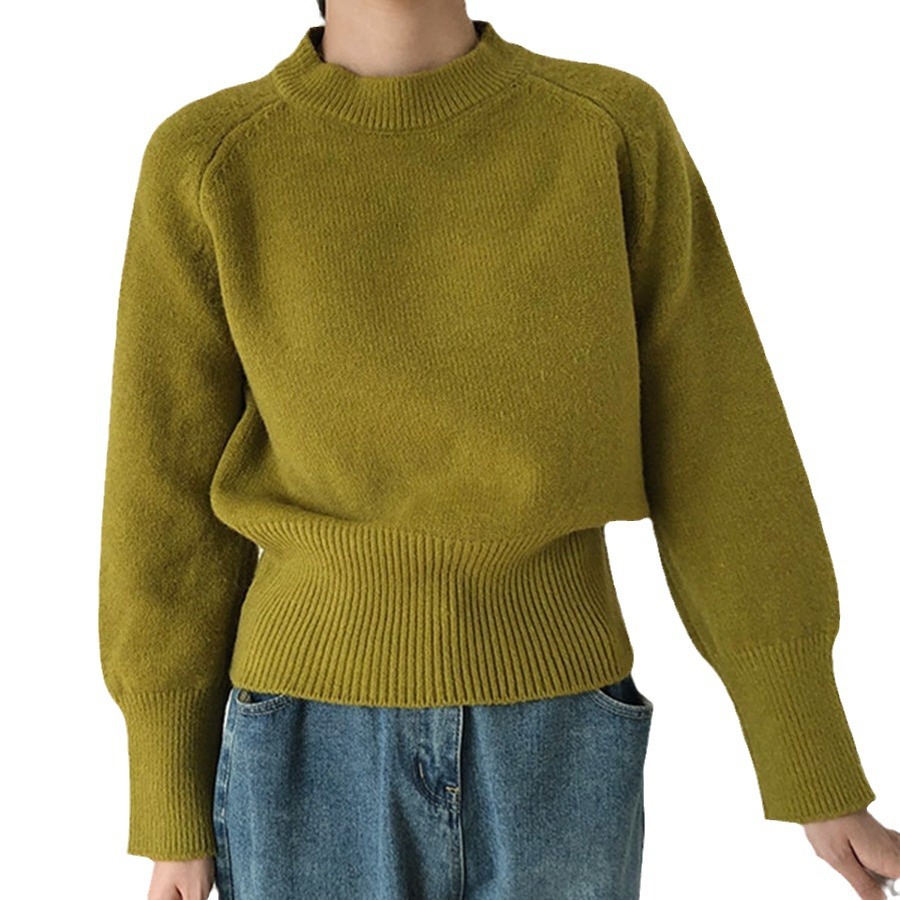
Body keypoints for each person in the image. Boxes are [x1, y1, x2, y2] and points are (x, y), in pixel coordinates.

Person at [98, 1, 900, 898]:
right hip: (305, 741)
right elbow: (161, 500)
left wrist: (811, 761)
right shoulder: (210, 158)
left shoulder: (606, 131)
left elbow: (722, 448)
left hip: (560, 729)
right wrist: (168, 799)